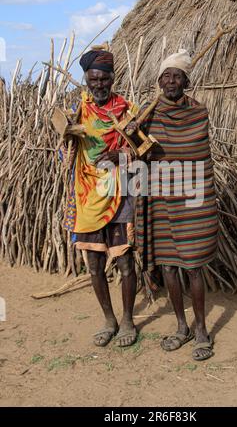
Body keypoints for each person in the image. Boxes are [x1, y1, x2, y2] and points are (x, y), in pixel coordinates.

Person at [137, 49, 219, 361]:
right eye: (166, 76)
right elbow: (138, 152)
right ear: (159, 81)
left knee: (194, 266)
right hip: (160, 198)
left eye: (177, 76)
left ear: (186, 80)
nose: (171, 81)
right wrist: (134, 135)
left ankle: (201, 330)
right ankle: (182, 327)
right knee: (169, 266)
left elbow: (195, 151)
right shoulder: (148, 114)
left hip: (193, 199)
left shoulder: (198, 113)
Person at [62, 48, 138, 348]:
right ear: (86, 79)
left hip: (119, 192)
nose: (99, 85)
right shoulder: (76, 111)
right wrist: (66, 139)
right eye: (93, 79)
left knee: (125, 261)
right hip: (86, 193)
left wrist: (121, 155)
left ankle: (129, 320)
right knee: (94, 263)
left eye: (104, 79)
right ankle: (109, 319)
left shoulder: (128, 111)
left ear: (112, 78)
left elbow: (143, 150)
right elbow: (65, 153)